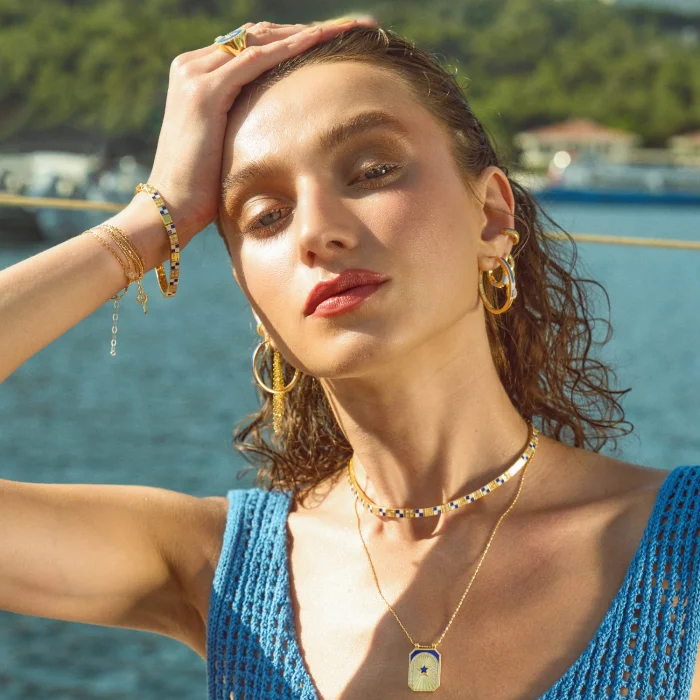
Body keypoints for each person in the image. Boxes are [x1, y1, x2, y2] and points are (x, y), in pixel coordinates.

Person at [0, 19, 698, 700]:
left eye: (372, 171)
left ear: (490, 215)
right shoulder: (216, 569)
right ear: (255, 304)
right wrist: (154, 221)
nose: (317, 231)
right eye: (266, 216)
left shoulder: (682, 554)